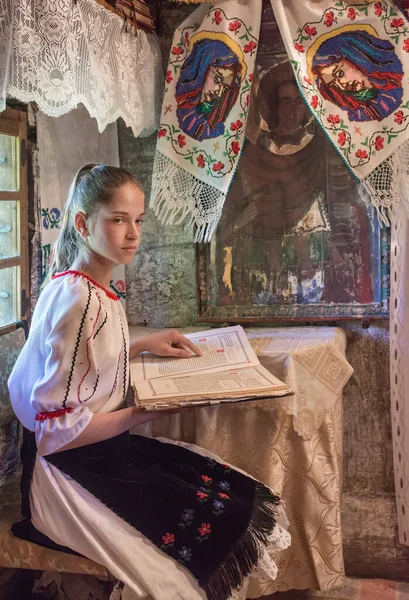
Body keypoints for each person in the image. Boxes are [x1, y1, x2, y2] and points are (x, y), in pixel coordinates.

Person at [8, 164, 289, 600]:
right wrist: (141, 413)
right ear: (82, 224)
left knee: (229, 499)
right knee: (186, 559)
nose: (133, 234)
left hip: (94, 455)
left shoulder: (82, 285)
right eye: (118, 220)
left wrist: (141, 345)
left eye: (138, 220)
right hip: (67, 474)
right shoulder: (80, 300)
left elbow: (85, 367)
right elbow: (53, 434)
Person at [310, 28, 403, 122]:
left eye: (340, 73)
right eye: (333, 84)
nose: (342, 85)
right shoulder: (359, 114)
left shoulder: (394, 86)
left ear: (355, 59)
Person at [176, 34, 244, 141]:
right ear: (201, 72)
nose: (219, 92)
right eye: (217, 79)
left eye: (225, 88)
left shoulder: (214, 122)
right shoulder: (186, 115)